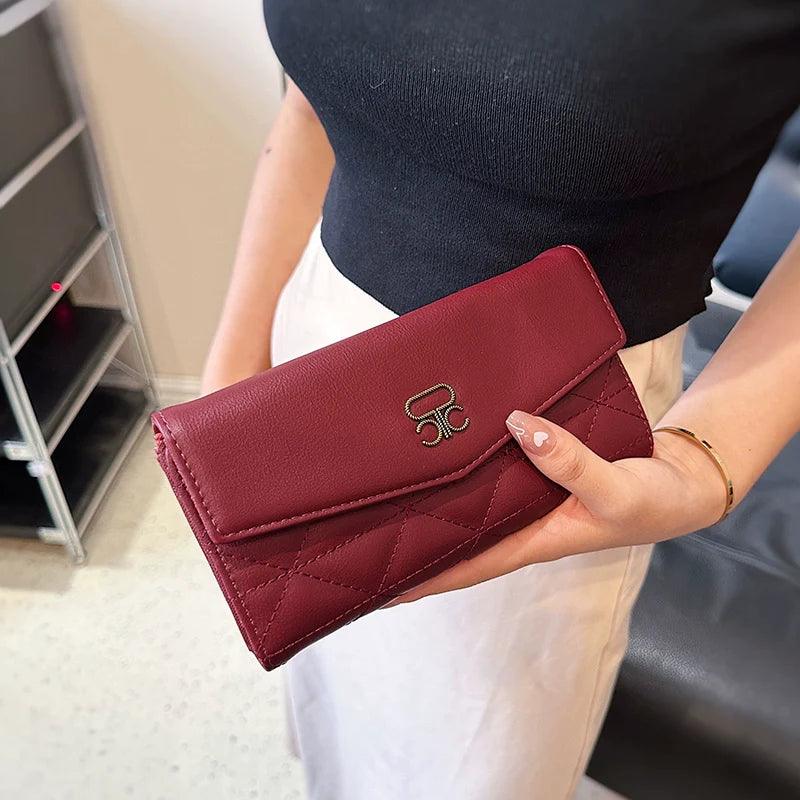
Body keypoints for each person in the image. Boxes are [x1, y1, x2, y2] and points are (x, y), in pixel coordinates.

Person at [201, 3, 800, 798]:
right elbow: (311, 103)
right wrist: (235, 366)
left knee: (476, 758)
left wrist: (707, 461)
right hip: (318, 366)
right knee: (344, 725)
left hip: (552, 423)